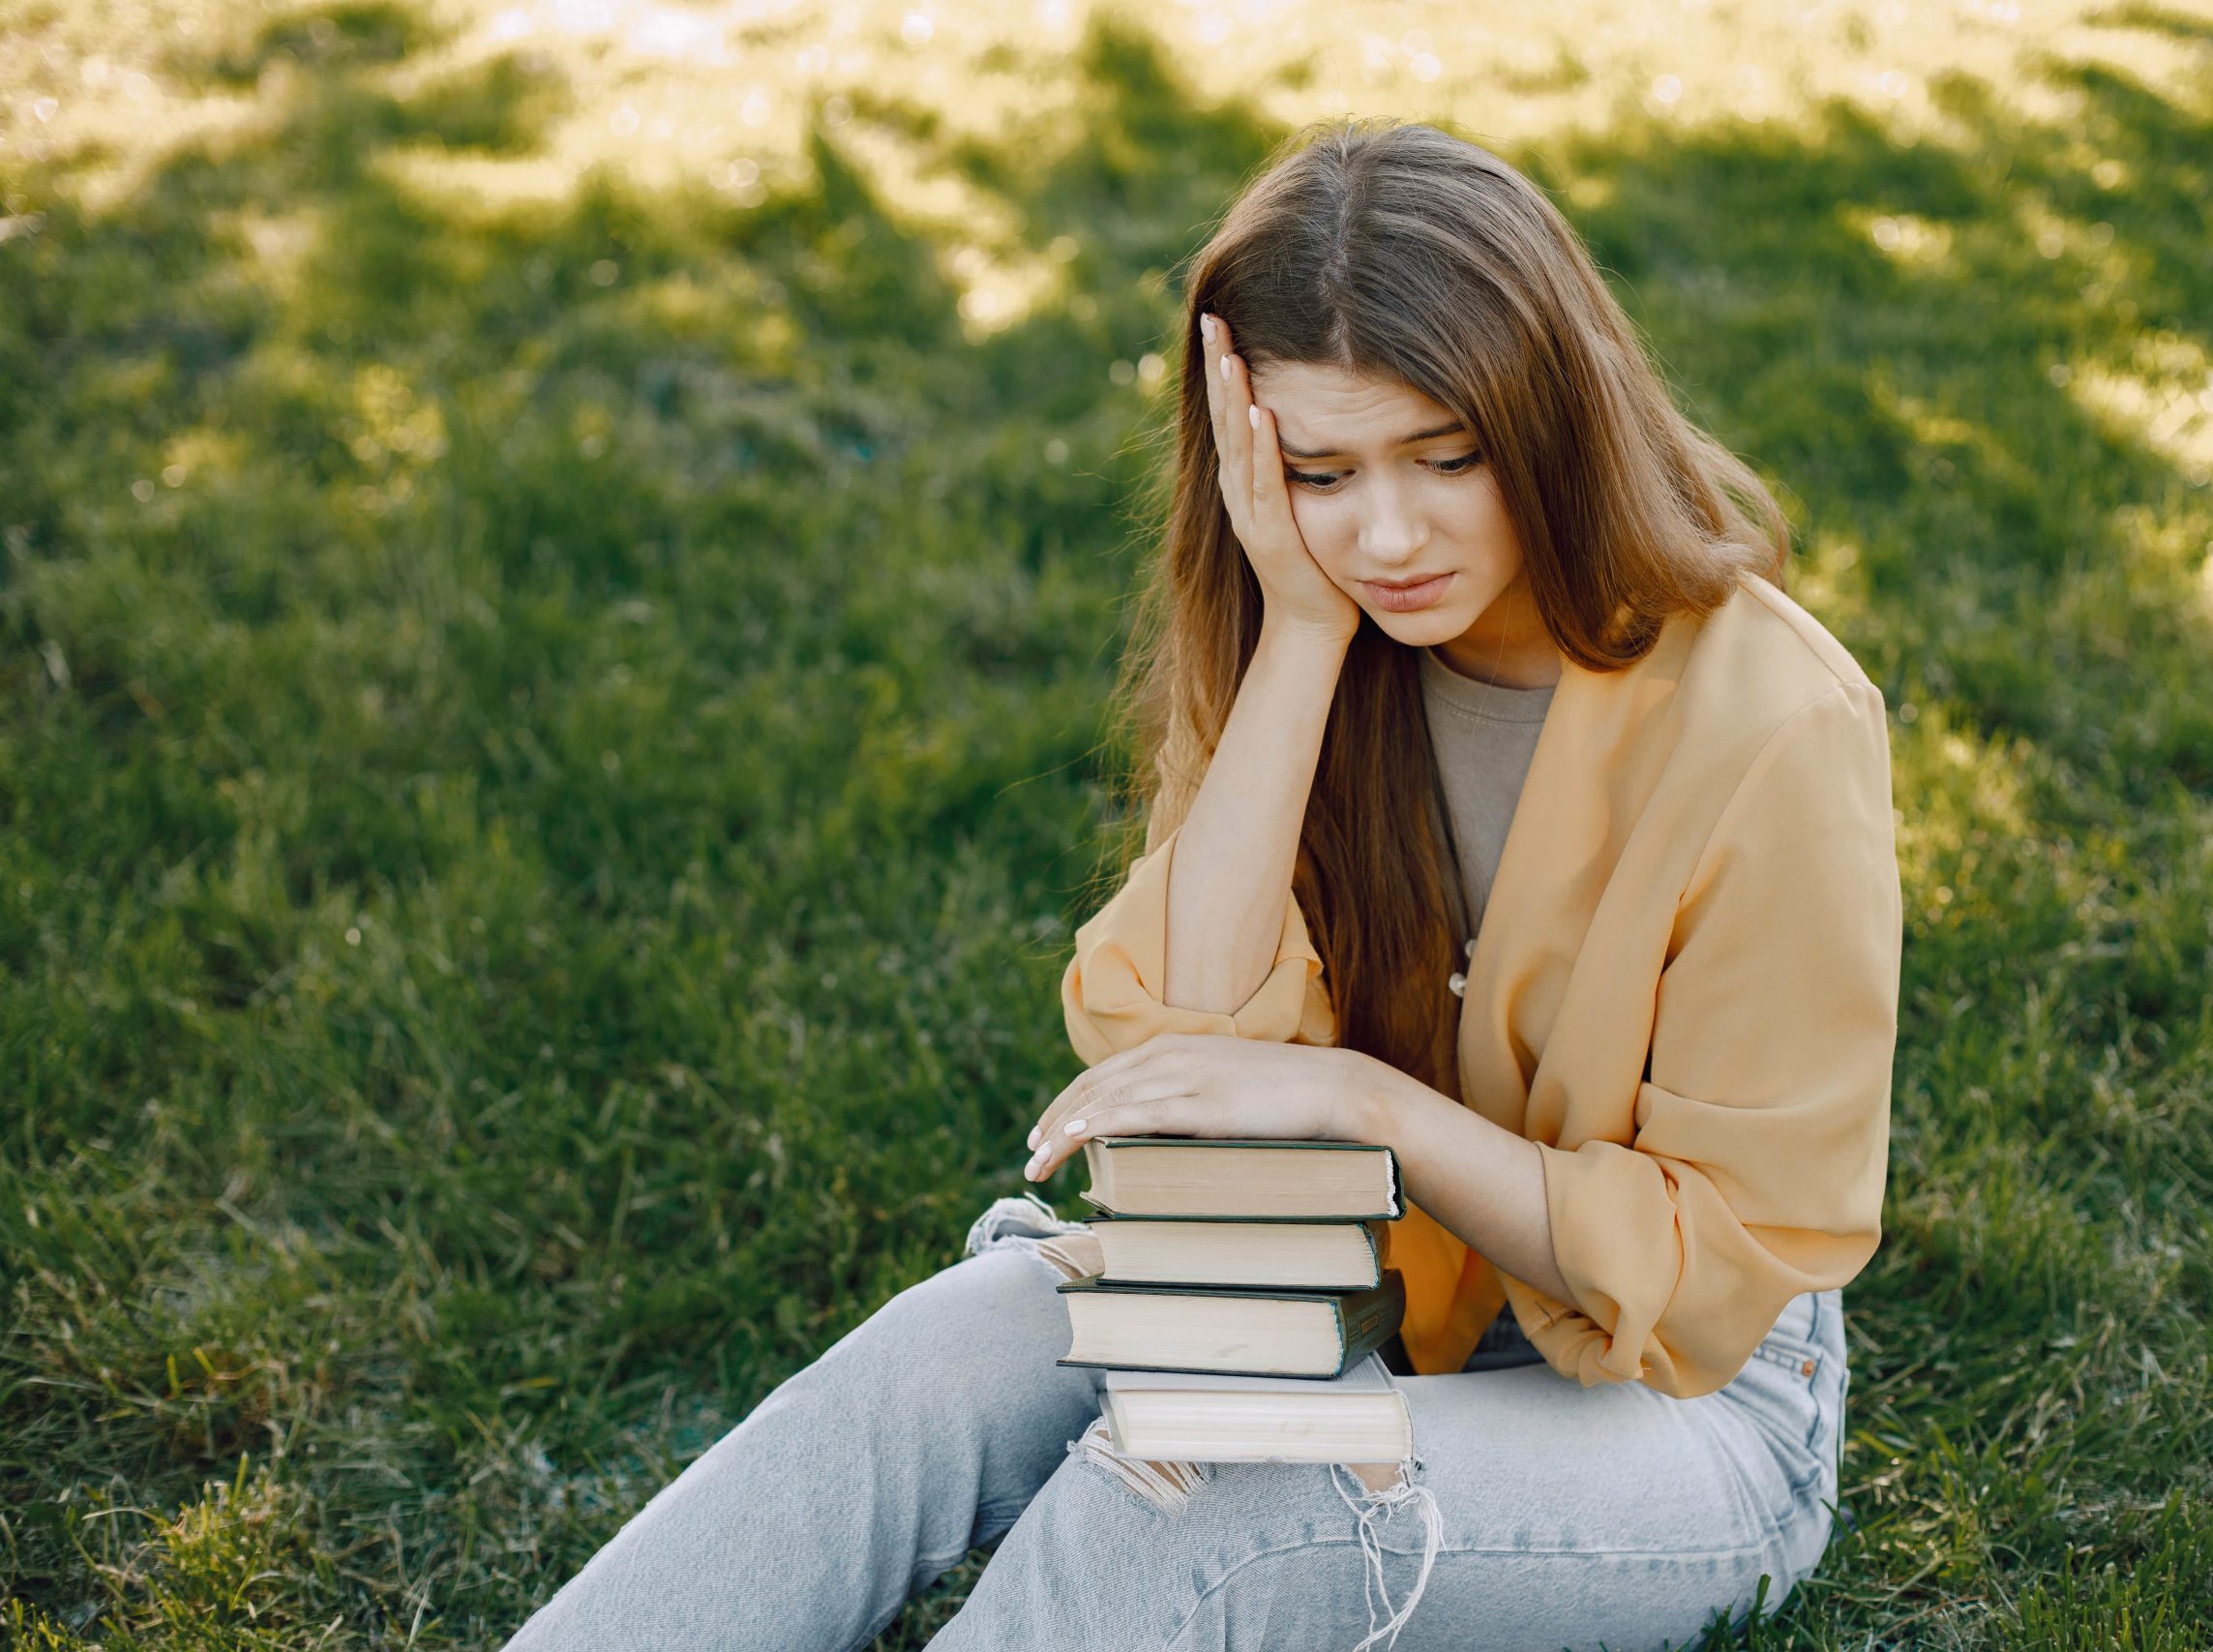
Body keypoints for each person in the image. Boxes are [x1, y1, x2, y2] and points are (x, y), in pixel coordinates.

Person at [501, 116, 1899, 1652]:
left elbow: (1709, 1267)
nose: (1385, 534)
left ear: (1553, 423)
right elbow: (1181, 1047)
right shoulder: (1308, 623)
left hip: (1676, 1401)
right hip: (1356, 1284)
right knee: (938, 1356)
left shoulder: (1776, 723)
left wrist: (1378, 1110)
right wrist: (1299, 640)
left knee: (1195, 1507)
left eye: (1448, 457)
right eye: (1321, 468)